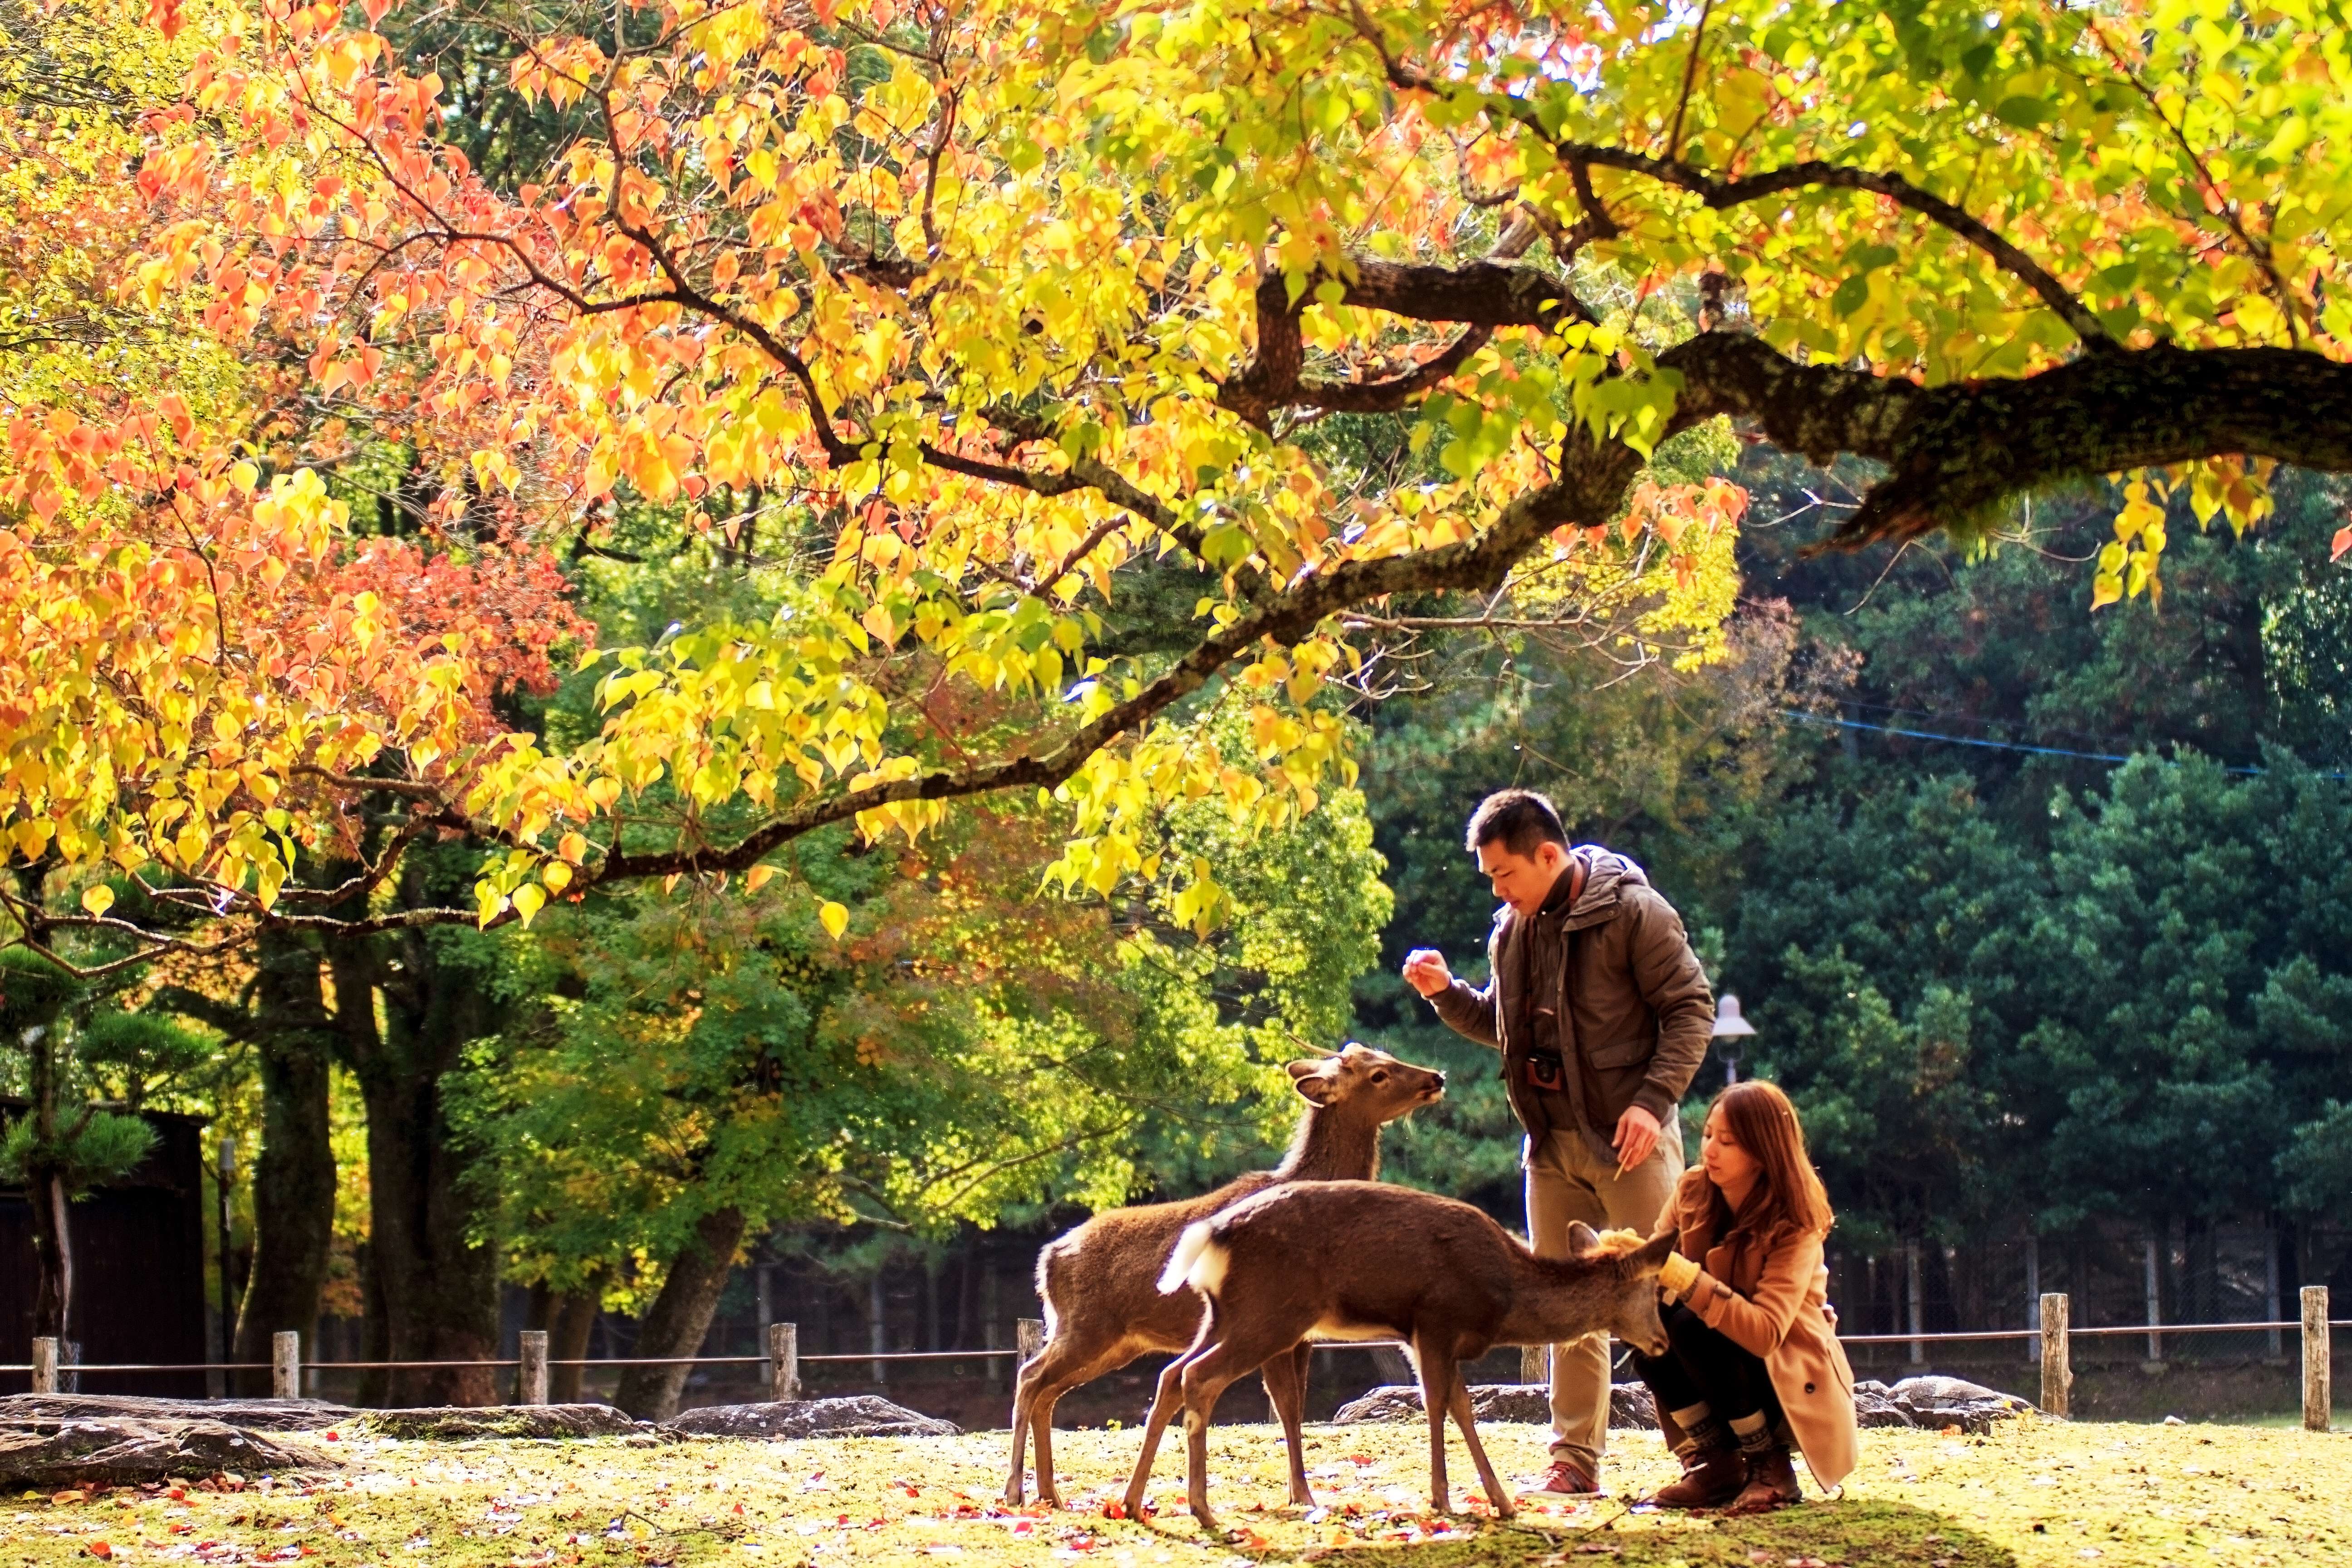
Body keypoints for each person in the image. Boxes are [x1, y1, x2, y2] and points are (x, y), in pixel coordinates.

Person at [1402, 788, 1713, 1496]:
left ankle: (1707, 1449)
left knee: (1667, 1295)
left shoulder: (1637, 914)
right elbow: (1500, 1027)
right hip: (1550, 1148)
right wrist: (1446, 992)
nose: (1497, 890)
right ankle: (1573, 1461)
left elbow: (1692, 1011)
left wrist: (1651, 1103)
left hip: (1632, 1143)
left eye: (1504, 874)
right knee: (1564, 1306)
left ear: (1548, 854)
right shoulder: (1510, 930)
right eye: (1490, 879)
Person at [1635, 1079, 1857, 1512]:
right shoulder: (1692, 1191)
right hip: (1717, 1356)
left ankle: (1769, 1465)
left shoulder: (1796, 1219)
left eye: (1728, 1141)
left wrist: (1686, 1278)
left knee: (1694, 1328)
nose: (1711, 1150)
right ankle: (1717, 1464)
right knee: (1645, 1335)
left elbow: (1766, 1333)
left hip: (1785, 1370)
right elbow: (1657, 1267)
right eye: (1708, 1136)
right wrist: (1629, 1263)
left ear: (1762, 1151)